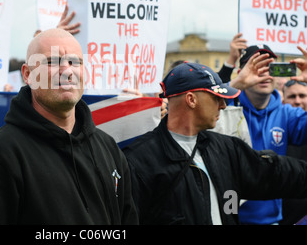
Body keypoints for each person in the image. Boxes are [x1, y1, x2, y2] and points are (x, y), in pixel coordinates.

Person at [0, 28, 138, 224]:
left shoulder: (109, 149)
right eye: (52, 61)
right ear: (28, 74)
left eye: (74, 62)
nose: (67, 70)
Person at [123, 62, 307, 225]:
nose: (223, 105)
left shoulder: (226, 149)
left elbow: (275, 173)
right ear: (191, 100)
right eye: (216, 98)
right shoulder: (139, 161)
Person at [226, 44, 307, 224]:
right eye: (256, 66)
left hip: (271, 220)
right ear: (241, 72)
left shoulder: (287, 114)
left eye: (270, 66)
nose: (264, 73)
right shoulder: (224, 108)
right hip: (229, 218)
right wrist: (236, 85)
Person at [280, 79, 307, 224]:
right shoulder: (277, 130)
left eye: (302, 96)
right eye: (292, 96)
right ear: (283, 100)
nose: (297, 101)